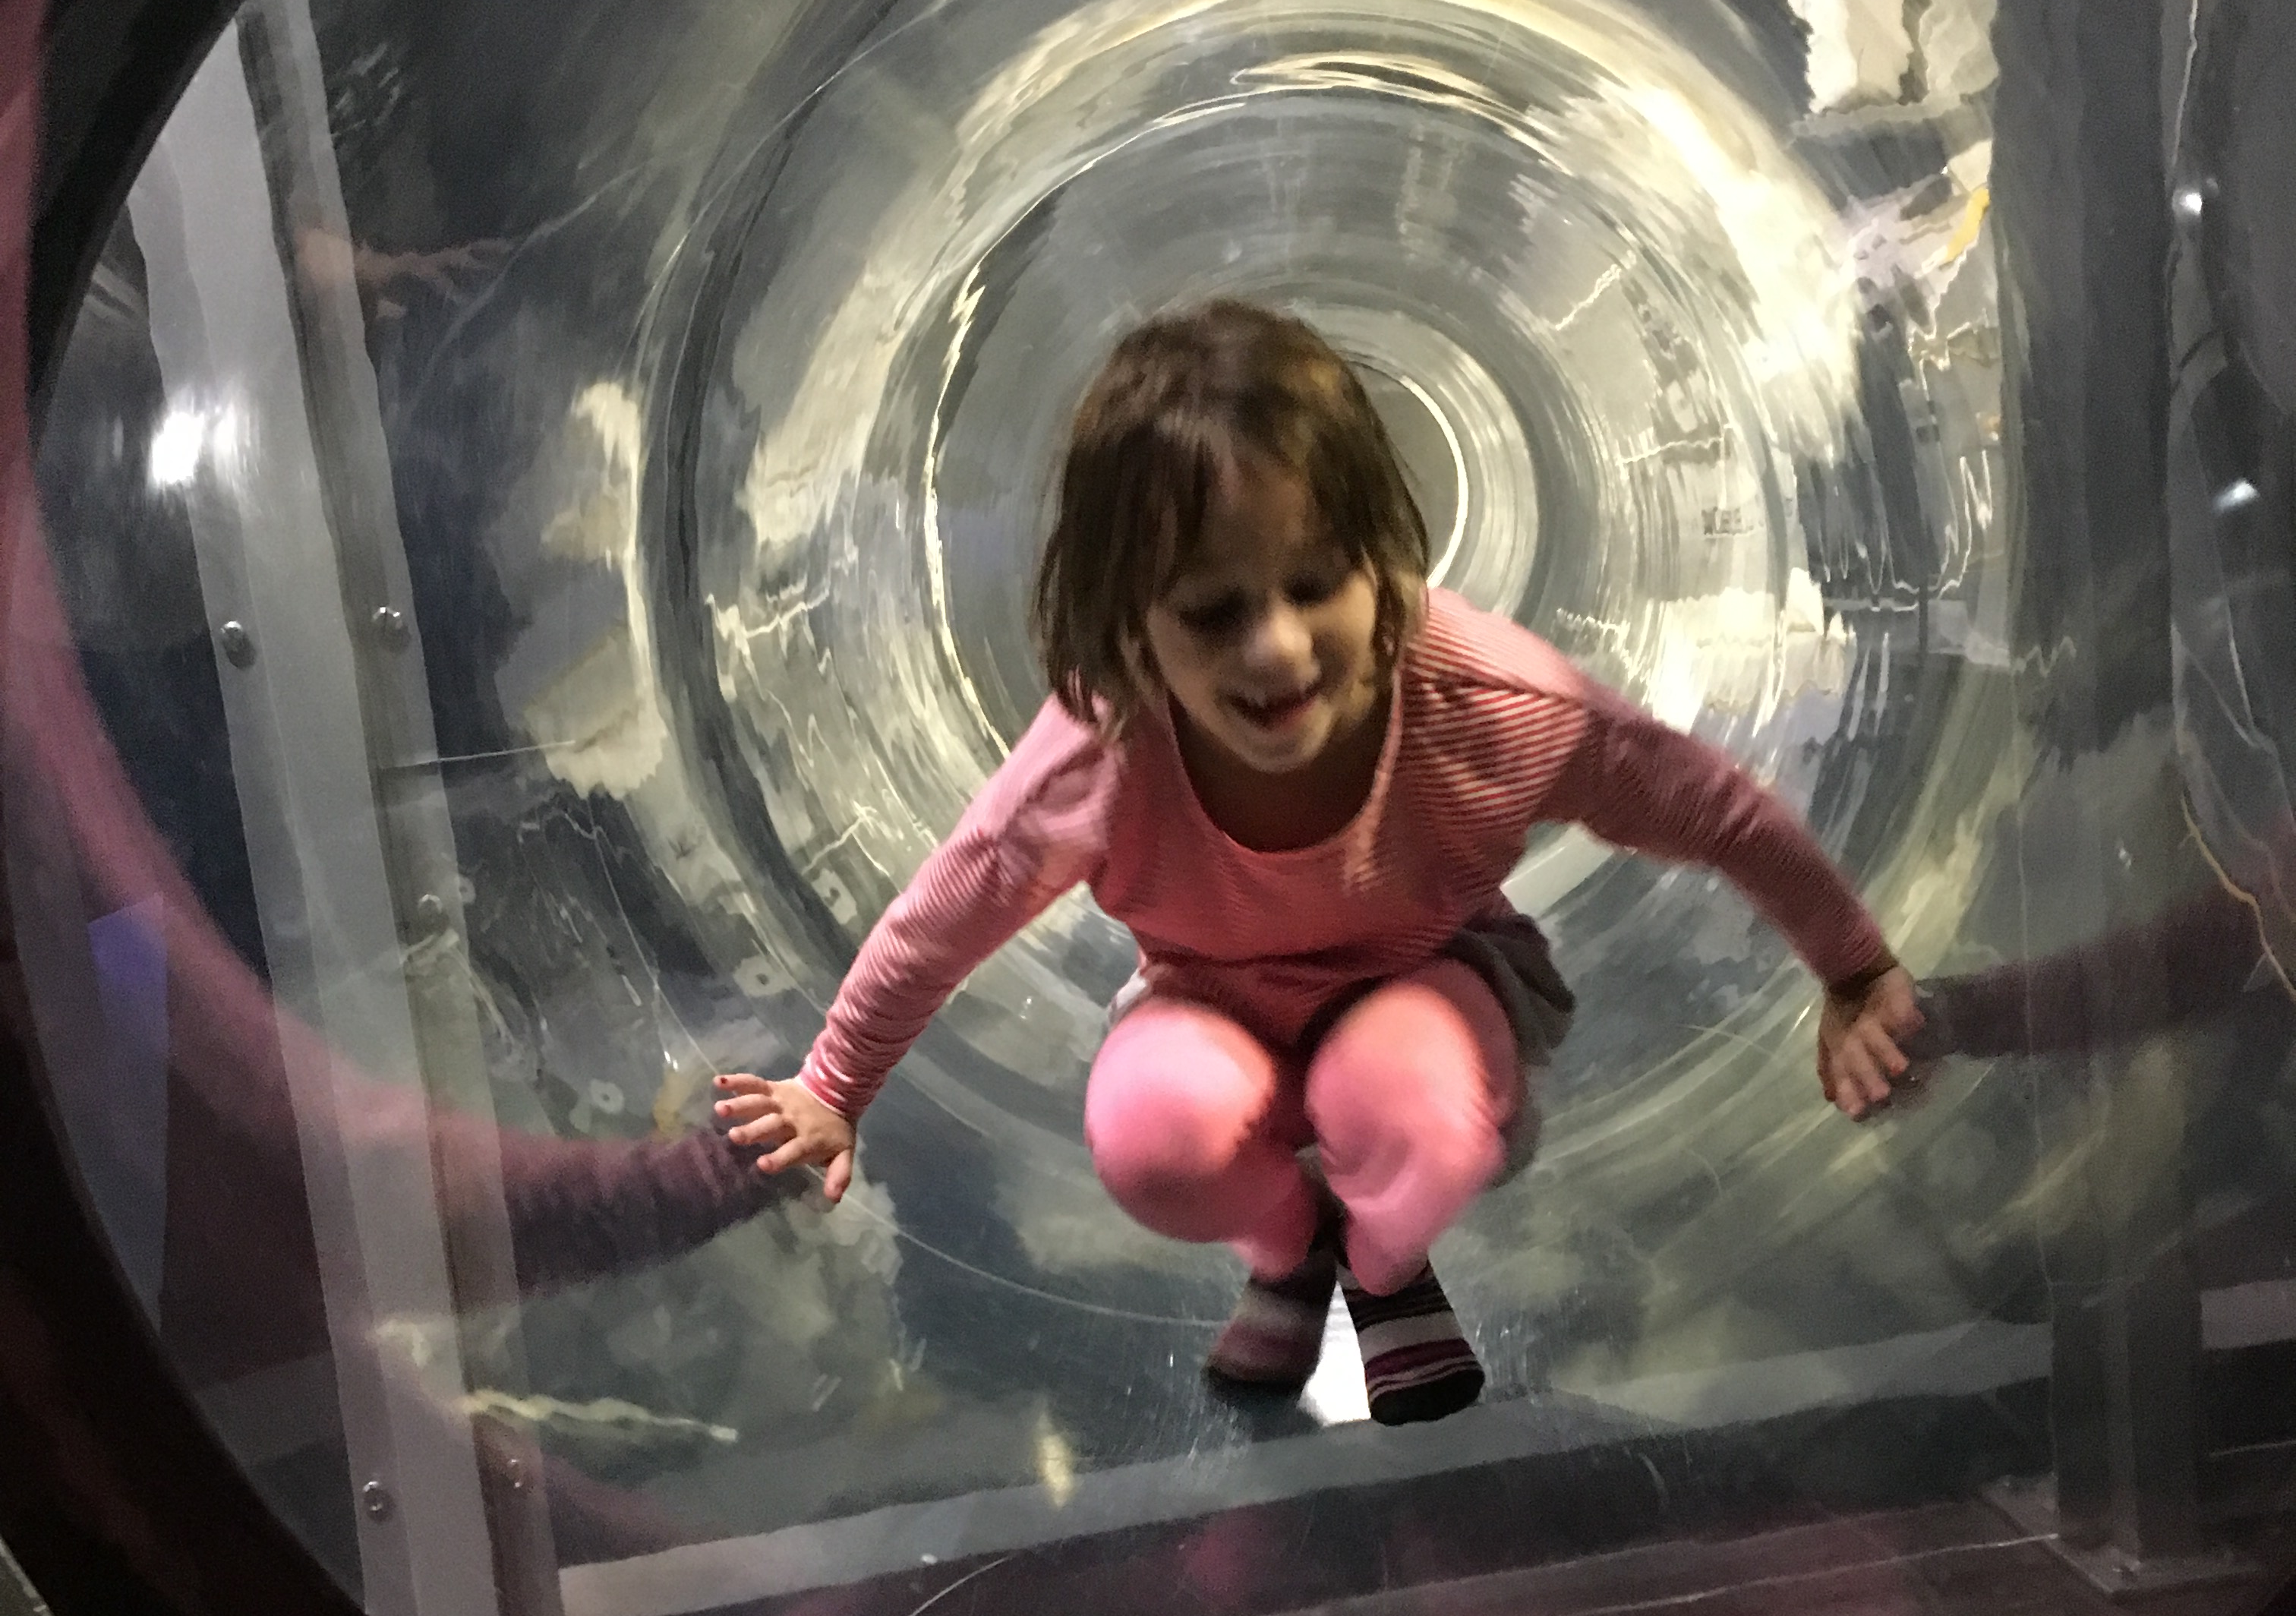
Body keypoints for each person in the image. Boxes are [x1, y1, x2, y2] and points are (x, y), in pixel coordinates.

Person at [715, 303, 1917, 1424]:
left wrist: (1855, 969)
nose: (1279, 648)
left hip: (1435, 977)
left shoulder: (1486, 708)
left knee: (1402, 1097)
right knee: (1149, 1131)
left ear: (1383, 557)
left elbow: (1711, 807)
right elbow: (953, 905)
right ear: (1129, 623)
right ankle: (1292, 1253)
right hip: (1208, 1004)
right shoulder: (1106, 748)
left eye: (1316, 583)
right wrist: (835, 1085)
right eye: (1213, 611)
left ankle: (1387, 1274)